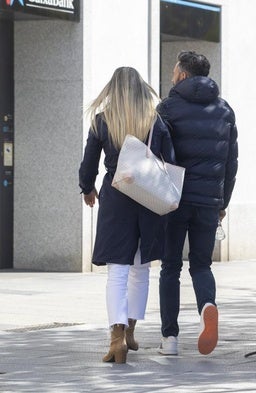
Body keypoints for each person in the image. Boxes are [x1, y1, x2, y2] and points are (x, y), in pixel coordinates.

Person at [79, 67, 175, 364]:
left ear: (113, 89)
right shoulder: (155, 120)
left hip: (116, 198)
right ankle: (131, 329)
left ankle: (116, 339)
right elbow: (169, 160)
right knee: (141, 268)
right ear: (140, 89)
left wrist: (87, 189)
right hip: (147, 198)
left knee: (117, 273)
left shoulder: (102, 120)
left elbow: (88, 163)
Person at [157, 51, 238, 356]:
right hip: (208, 202)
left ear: (184, 75)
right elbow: (231, 162)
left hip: (173, 200)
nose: (172, 75)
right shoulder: (224, 110)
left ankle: (170, 339)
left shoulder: (167, 107)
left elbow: (155, 153)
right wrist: (222, 202)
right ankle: (207, 306)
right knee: (201, 264)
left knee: (170, 267)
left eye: (174, 70)